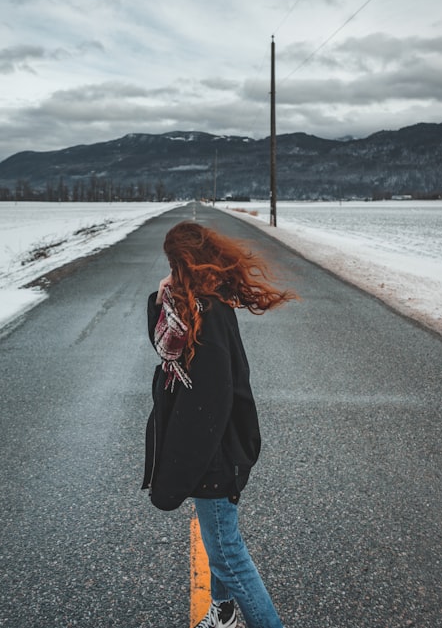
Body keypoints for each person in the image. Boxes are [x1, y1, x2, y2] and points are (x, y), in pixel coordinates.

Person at [142, 220, 298, 628]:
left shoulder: (205, 315)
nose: (170, 272)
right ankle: (224, 612)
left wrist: (182, 471)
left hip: (215, 456)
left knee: (229, 556)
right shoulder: (199, 305)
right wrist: (163, 299)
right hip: (222, 450)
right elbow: (166, 344)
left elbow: (208, 409)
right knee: (223, 549)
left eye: (173, 265)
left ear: (185, 264)